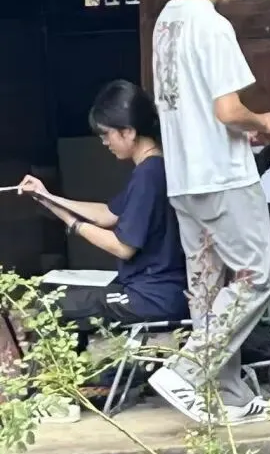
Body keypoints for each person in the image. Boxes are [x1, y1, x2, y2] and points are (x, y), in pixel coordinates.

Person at [147, 0, 270, 426]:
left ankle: (225, 395)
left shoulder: (165, 21)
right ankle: (186, 371)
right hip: (223, 177)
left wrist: (240, 129)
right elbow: (227, 110)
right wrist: (263, 122)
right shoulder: (211, 24)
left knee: (208, 289)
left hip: (185, 177)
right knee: (256, 278)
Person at [17, 79, 188, 332]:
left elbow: (123, 248)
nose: (104, 142)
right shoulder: (153, 167)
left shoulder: (149, 175)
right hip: (153, 291)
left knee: (51, 307)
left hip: (152, 297)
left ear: (128, 132)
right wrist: (47, 197)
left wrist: (73, 224)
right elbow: (107, 214)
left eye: (106, 134)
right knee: (68, 301)